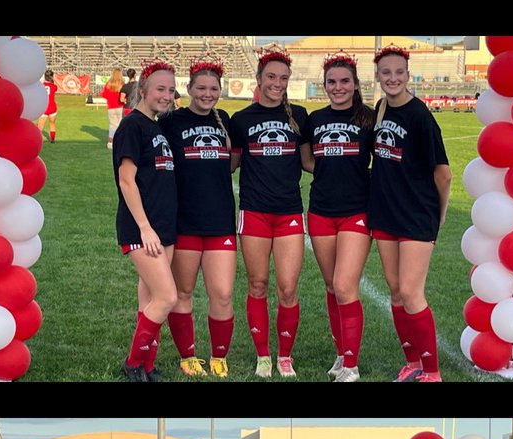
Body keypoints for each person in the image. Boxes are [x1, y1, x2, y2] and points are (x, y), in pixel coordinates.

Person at [368, 45, 452, 383]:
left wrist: (440, 214)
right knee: (395, 290)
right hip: (386, 213)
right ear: (378, 76)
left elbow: (443, 173)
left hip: (417, 216)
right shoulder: (381, 107)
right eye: (385, 73)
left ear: (408, 74)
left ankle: (432, 372)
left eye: (398, 72)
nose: (392, 78)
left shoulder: (420, 116)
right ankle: (413, 361)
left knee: (412, 291)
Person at [229, 47, 312, 378]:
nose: (277, 83)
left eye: (284, 78)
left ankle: (285, 357)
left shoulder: (300, 116)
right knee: (258, 283)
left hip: (289, 211)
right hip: (254, 212)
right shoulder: (241, 120)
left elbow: (308, 162)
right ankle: (263, 355)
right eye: (271, 77)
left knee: (288, 288)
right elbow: (230, 166)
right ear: (259, 79)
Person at [160, 60, 237, 378]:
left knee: (222, 293)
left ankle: (219, 356)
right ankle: (188, 356)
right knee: (183, 292)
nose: (208, 94)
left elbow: (232, 163)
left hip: (220, 221)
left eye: (213, 89)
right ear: (188, 89)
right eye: (201, 88)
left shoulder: (225, 121)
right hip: (185, 221)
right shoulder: (171, 121)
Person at [302, 52, 374, 382]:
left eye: (345, 81)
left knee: (346, 286)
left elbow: (384, 161)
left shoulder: (368, 119)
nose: (338, 87)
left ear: (355, 84)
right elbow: (307, 160)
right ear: (324, 85)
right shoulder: (315, 119)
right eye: (332, 81)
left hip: (356, 211)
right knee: (331, 286)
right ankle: (340, 354)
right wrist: (334, 169)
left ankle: (352, 365)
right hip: (321, 211)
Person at [113, 59, 178, 383]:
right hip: (143, 229)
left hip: (163, 227)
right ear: (143, 90)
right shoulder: (132, 126)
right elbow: (126, 180)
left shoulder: (156, 126)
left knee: (151, 301)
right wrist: (144, 227)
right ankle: (133, 362)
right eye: (160, 89)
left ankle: (147, 368)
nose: (167, 95)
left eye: (170, 89)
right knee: (167, 297)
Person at [102, 68, 124, 148]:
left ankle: (110, 142)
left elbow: (104, 94)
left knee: (112, 124)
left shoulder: (108, 84)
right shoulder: (122, 84)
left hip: (111, 107)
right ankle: (119, 141)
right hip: (120, 106)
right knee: (120, 125)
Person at [37, 69, 58, 144]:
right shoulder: (54, 86)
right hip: (52, 107)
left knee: (40, 126)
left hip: (44, 107)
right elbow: (54, 89)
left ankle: (38, 140)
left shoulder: (41, 86)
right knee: (52, 124)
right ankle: (52, 140)